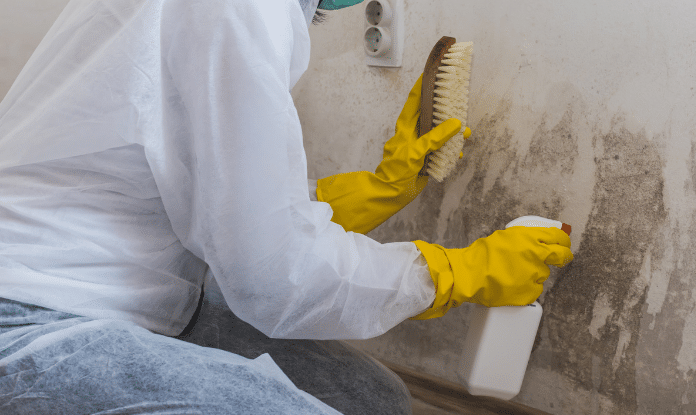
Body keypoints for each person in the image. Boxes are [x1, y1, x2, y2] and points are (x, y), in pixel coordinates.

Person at [0, 0, 573, 413]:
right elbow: (272, 278)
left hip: (133, 296)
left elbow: (227, 202)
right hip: (36, 315)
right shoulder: (234, 9)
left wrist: (379, 186)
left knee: (373, 400)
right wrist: (449, 273)